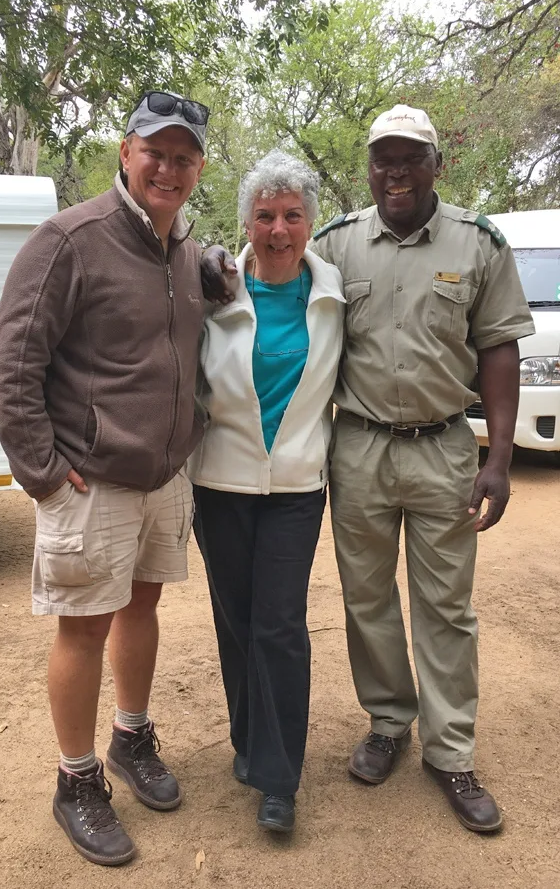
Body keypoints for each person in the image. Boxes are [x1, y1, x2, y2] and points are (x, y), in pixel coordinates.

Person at [200, 105, 535, 833]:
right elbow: (268, 267)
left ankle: (450, 752)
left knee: (446, 605)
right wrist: (213, 263)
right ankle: (388, 722)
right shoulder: (339, 245)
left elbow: (500, 347)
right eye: (383, 159)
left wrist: (500, 456)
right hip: (358, 449)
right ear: (369, 168)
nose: (396, 172)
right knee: (368, 600)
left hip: (445, 444)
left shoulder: (479, 243)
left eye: (411, 158)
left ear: (436, 165)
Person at [0, 90, 208, 866]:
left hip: (163, 478)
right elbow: (14, 364)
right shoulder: (67, 240)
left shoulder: (183, 248)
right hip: (90, 484)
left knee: (141, 606)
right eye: (156, 151)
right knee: (82, 626)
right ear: (126, 151)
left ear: (198, 168)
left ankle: (130, 736)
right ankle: (75, 780)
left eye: (184, 157)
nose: (168, 167)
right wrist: (43, 474)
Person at [189, 150, 345, 833]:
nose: (278, 229)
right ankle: (248, 745)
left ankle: (279, 781)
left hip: (295, 487)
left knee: (279, 626)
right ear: (246, 221)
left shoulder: (336, 294)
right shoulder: (216, 289)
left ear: (310, 221)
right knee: (237, 621)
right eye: (264, 215)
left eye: (291, 215)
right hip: (220, 481)